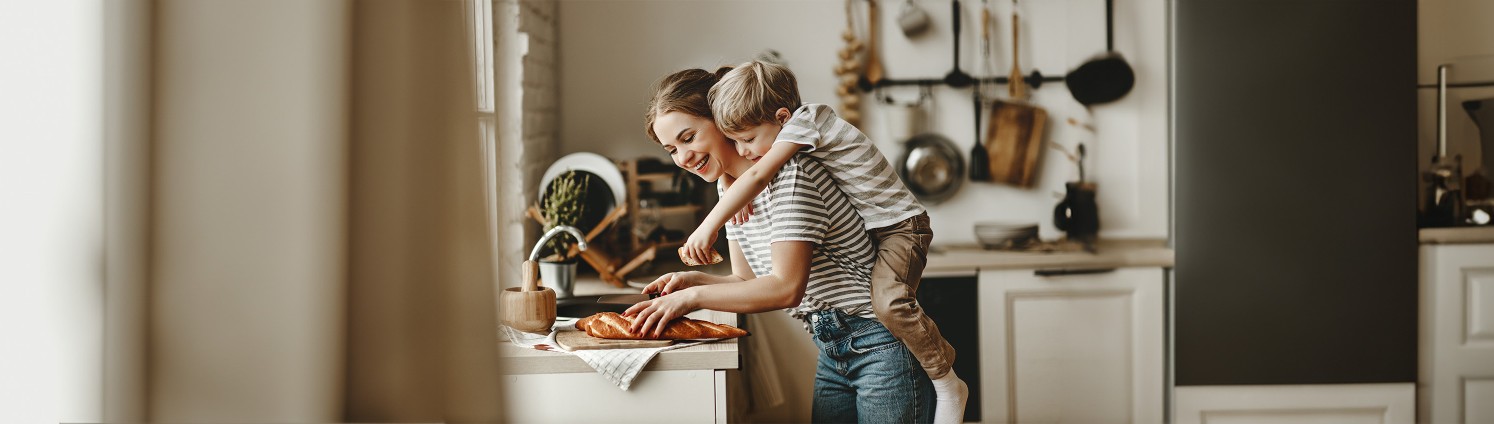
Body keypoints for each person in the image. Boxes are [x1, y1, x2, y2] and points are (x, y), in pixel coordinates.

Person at [628, 67, 932, 423]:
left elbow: (786, 288)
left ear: (720, 118)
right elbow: (745, 280)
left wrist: (690, 300)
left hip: (880, 344)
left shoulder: (791, 173)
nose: (683, 158)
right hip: (832, 348)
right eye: (672, 150)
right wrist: (690, 281)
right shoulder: (728, 190)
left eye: (689, 137)